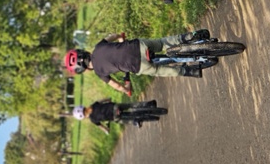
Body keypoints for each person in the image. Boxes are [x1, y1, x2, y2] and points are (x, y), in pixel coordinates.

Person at [64, 29, 211, 95]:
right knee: (162, 43)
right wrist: (121, 37)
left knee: (159, 71)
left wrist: (126, 89)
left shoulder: (100, 72)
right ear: (83, 52)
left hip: (137, 65)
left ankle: (190, 70)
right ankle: (190, 36)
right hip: (137, 46)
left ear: (83, 69)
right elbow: (113, 36)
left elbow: (116, 85)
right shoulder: (98, 47)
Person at [72, 99, 161, 132]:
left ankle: (134, 121)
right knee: (131, 105)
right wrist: (109, 99)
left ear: (83, 117)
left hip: (114, 116)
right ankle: (149, 104)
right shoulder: (93, 105)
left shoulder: (93, 120)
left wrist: (107, 130)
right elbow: (104, 100)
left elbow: (102, 127)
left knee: (121, 120)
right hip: (115, 107)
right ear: (83, 107)